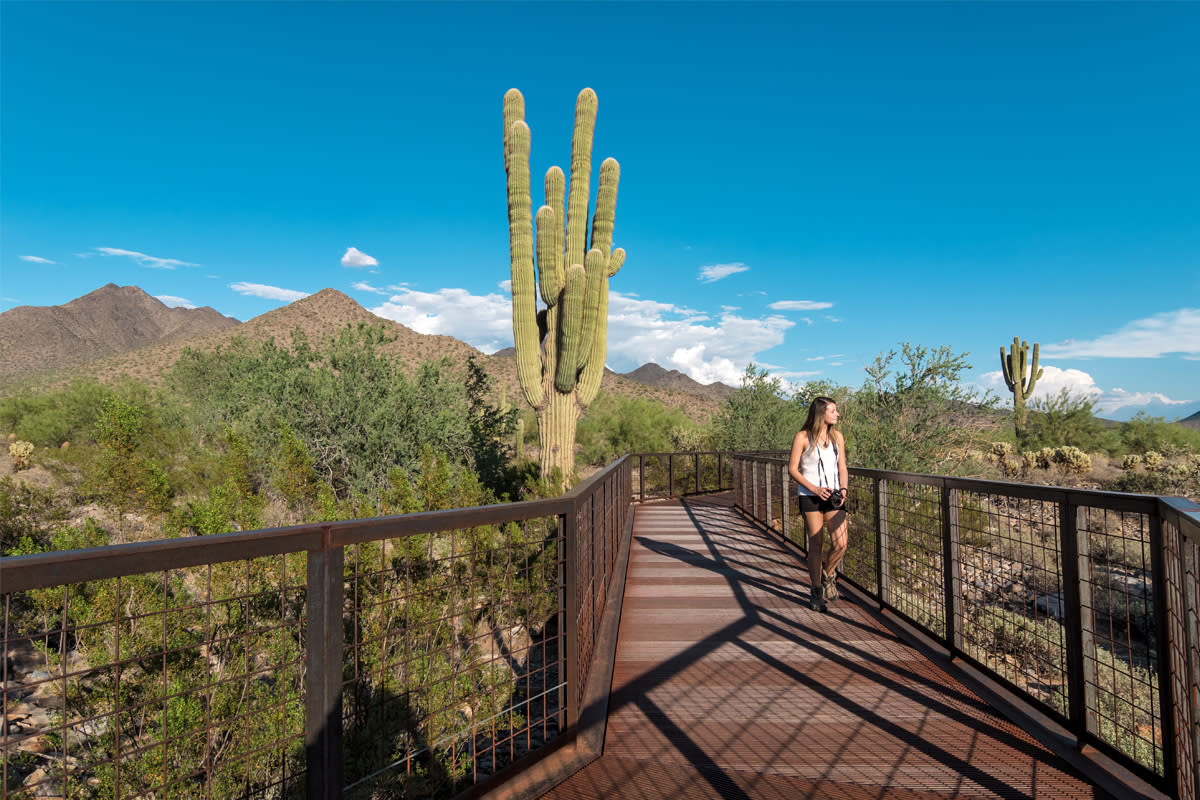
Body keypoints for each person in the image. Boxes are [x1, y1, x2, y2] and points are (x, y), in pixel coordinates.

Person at [787, 396, 849, 612]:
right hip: (810, 496)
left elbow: (842, 467)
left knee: (841, 543)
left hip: (833, 496)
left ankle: (829, 575)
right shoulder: (802, 437)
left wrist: (843, 489)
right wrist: (814, 489)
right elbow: (793, 469)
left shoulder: (837, 437)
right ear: (822, 413)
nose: (837, 414)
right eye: (833, 411)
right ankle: (815, 591)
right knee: (816, 543)